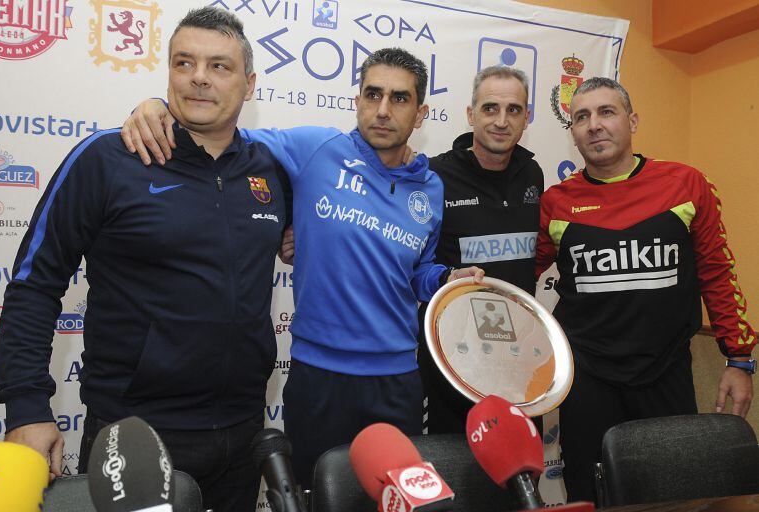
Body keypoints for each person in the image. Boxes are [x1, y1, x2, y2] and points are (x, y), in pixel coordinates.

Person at [120, 48, 484, 487]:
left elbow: (418, 270)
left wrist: (443, 279)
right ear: (357, 100)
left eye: (400, 98)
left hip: (398, 380)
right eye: (373, 94)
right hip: (318, 376)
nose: (383, 110)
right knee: (314, 495)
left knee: (393, 499)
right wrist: (159, 107)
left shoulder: (430, 187)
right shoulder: (316, 149)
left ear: (422, 112)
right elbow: (222, 135)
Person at [0, 7, 291, 510]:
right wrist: (26, 408)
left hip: (243, 434)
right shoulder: (108, 159)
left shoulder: (273, 170)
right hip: (131, 435)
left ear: (250, 83)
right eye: (184, 63)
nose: (199, 77)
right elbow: (33, 286)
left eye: (219, 66)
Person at [535, 77, 755, 502]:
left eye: (606, 112)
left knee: (673, 493)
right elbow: (518, 276)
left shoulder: (686, 184)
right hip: (586, 378)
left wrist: (740, 359)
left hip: (666, 371)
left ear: (632, 120)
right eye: (581, 117)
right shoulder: (556, 202)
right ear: (574, 133)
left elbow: (718, 273)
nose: (594, 125)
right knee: (591, 492)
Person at [419, 66, 544, 434]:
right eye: (490, 109)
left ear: (527, 117)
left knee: (520, 476)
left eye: (514, 110)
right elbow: (410, 260)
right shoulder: (433, 176)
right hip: (453, 358)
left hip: (521, 360)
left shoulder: (533, 174)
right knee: (455, 472)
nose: (501, 121)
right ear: (471, 114)